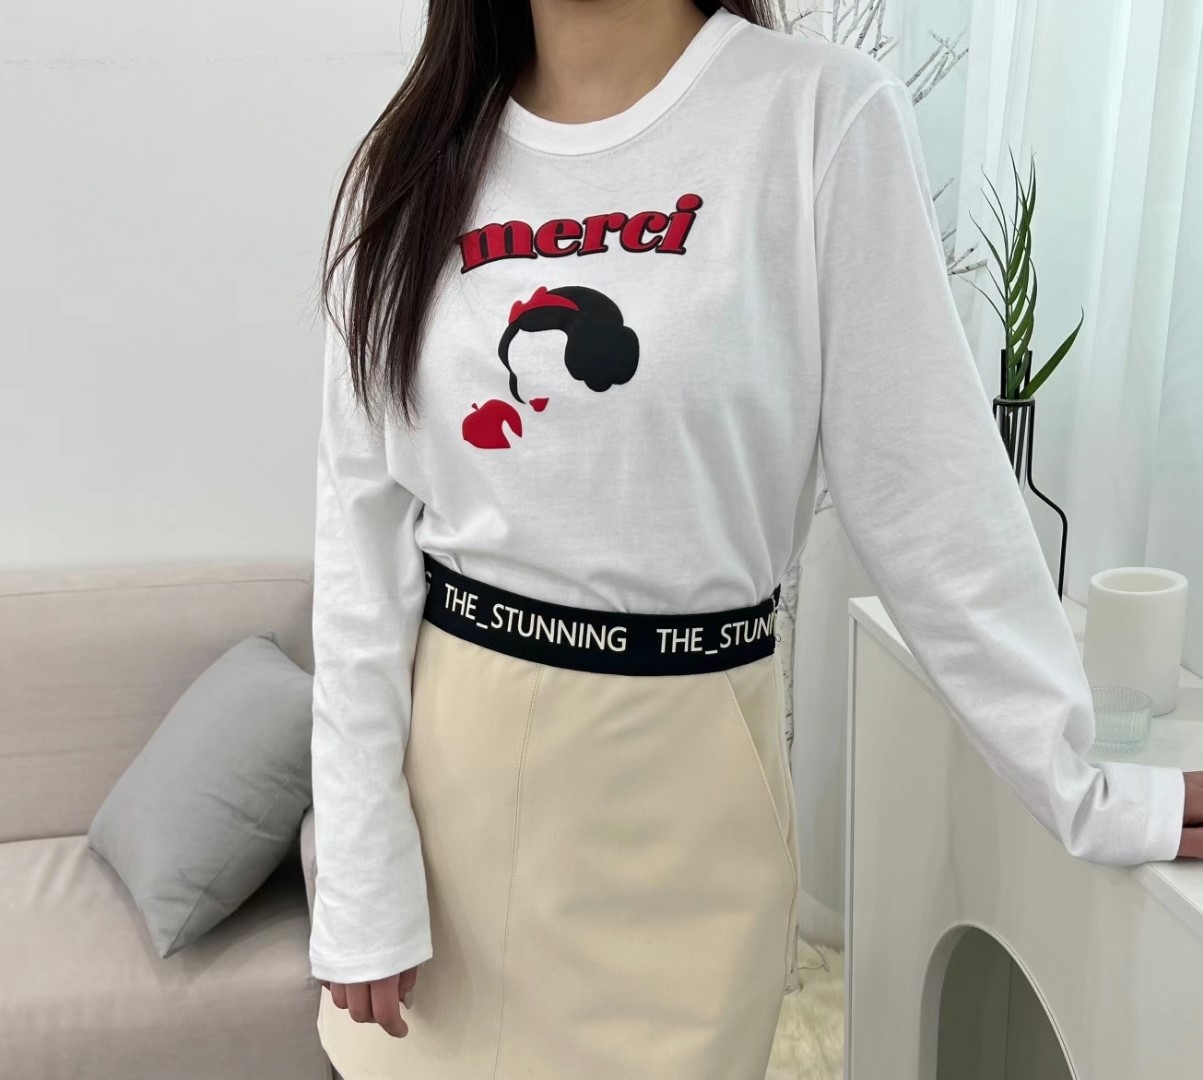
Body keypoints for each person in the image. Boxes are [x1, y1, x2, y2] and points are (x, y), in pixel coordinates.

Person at [305, 1, 1203, 1077]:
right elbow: (360, 553)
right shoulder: (410, 162)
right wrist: (359, 876)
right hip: (449, 804)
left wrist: (1084, 788)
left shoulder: (817, 116)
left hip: (689, 807)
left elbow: (936, 500)